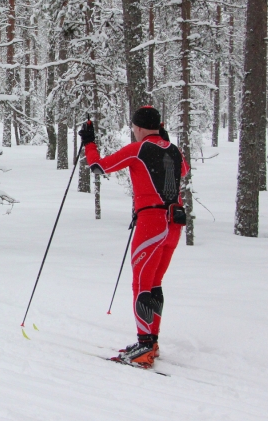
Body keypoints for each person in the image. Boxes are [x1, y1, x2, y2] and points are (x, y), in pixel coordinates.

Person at [79, 106, 189, 369]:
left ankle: (143, 345)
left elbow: (99, 166)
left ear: (139, 127)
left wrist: (89, 142)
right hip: (174, 222)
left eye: (133, 128)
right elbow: (181, 171)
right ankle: (151, 341)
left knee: (141, 284)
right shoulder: (174, 150)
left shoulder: (138, 149)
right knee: (154, 282)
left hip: (151, 221)